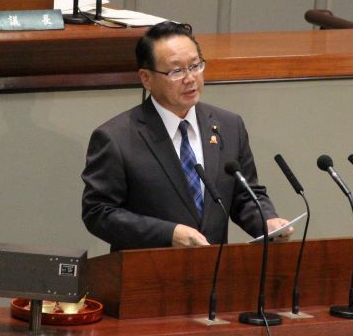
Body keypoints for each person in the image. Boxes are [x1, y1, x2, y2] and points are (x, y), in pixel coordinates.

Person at [81, 21, 291, 251]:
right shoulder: (116, 138)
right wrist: (168, 233)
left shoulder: (229, 126)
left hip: (214, 274)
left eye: (195, 66)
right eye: (176, 71)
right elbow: (98, 212)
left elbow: (244, 195)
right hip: (147, 274)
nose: (190, 78)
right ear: (146, 78)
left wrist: (266, 220)